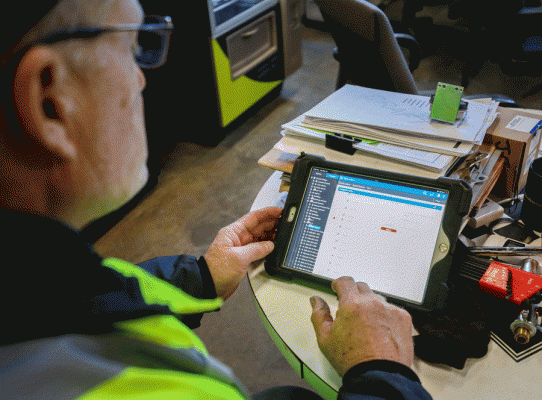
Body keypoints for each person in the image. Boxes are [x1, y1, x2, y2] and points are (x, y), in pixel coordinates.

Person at [0, 1, 433, 399]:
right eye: (135, 48)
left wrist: (199, 277)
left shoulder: (29, 283)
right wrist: (383, 375)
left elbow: (84, 298)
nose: (141, 78)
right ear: (50, 101)